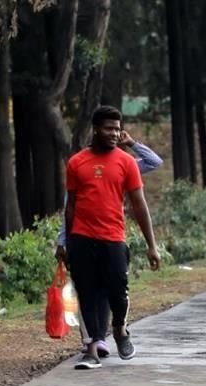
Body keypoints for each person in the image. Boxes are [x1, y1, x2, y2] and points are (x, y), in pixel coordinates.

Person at [64, 105, 161, 370]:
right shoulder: (77, 163)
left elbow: (140, 205)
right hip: (82, 237)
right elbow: (70, 205)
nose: (115, 134)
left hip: (113, 237)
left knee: (118, 292)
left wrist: (152, 245)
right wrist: (66, 241)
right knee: (87, 293)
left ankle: (119, 329)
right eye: (109, 128)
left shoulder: (126, 162)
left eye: (118, 129)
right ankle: (92, 348)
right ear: (95, 129)